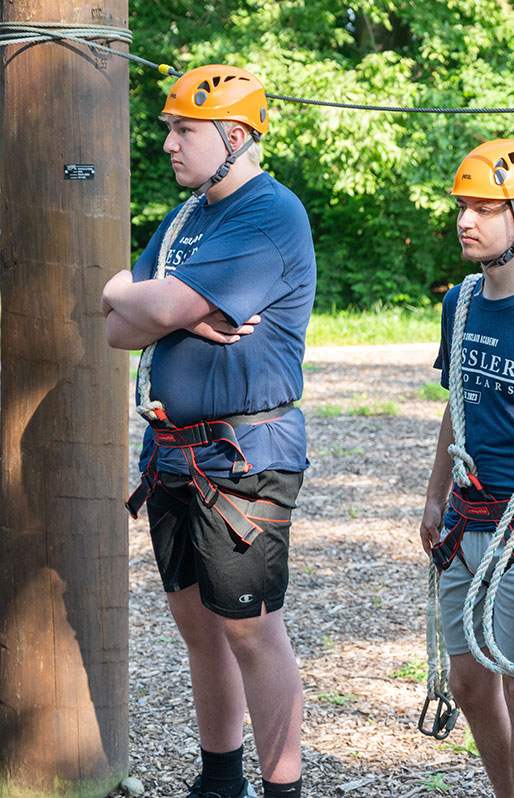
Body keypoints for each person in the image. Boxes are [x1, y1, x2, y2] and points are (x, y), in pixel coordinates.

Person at [101, 65, 314, 798]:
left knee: (253, 628)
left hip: (242, 458)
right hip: (170, 453)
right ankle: (220, 781)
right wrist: (177, 308)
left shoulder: (270, 213)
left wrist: (158, 305)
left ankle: (282, 789)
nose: (167, 143)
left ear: (233, 137)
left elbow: (140, 307)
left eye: (182, 130)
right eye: (166, 128)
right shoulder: (185, 219)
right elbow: (115, 319)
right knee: (198, 626)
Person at [418, 138, 514, 798]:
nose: (464, 221)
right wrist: (433, 494)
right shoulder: (462, 302)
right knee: (472, 683)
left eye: (483, 208)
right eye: (461, 207)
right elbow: (460, 401)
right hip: (464, 515)